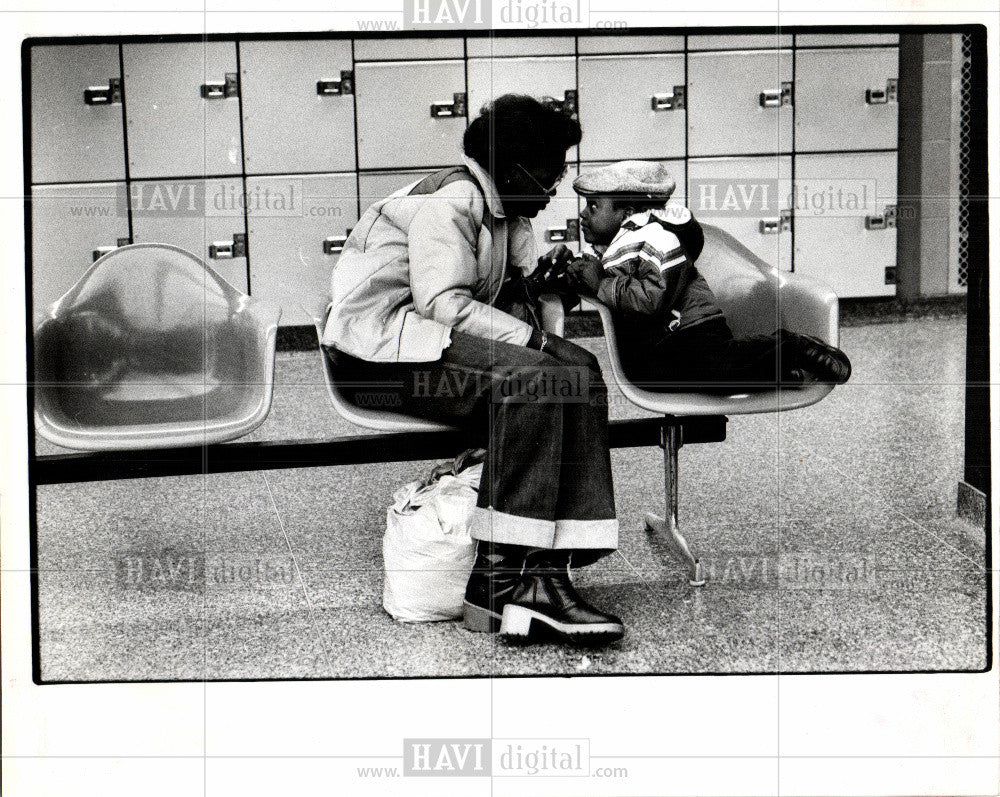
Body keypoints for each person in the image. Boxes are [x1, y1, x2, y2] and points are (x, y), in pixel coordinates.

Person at [321, 95, 624, 646]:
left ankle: (548, 571)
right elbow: (443, 303)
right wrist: (535, 339)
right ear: (513, 166)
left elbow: (495, 305)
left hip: (429, 346)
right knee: (534, 379)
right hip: (379, 357)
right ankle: (504, 581)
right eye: (551, 175)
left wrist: (539, 294)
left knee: (577, 372)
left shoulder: (505, 212)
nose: (555, 190)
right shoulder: (456, 198)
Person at [559, 160, 852, 392]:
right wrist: (562, 273)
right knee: (656, 378)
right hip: (659, 347)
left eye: (593, 206)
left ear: (630, 213)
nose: (583, 214)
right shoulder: (607, 250)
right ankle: (782, 374)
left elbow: (650, 300)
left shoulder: (658, 240)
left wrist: (600, 283)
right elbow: (591, 280)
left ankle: (792, 347)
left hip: (692, 330)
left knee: (716, 367)